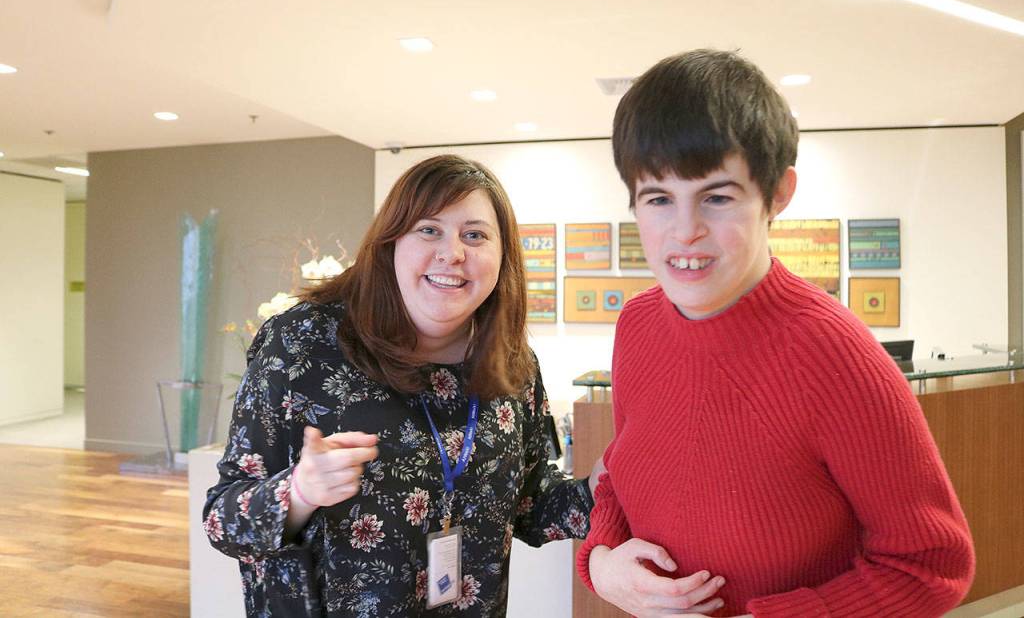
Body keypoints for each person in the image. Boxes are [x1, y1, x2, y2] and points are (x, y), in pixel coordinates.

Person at [576, 49, 975, 617]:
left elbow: (930, 564)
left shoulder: (833, 351)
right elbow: (623, 468)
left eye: (717, 197)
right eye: (659, 199)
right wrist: (601, 560)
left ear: (777, 194)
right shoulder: (638, 323)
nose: (684, 232)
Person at [205, 155, 601, 617]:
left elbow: (530, 505)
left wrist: (601, 488)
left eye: (474, 235)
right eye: (429, 230)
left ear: (503, 258)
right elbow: (222, 521)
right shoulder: (301, 343)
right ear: (390, 243)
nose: (452, 253)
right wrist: (298, 491)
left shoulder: (512, 365)